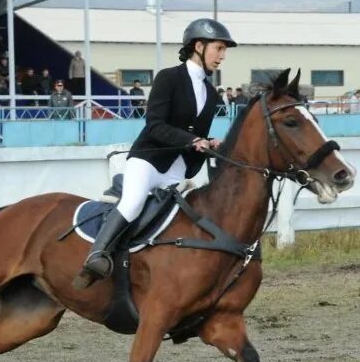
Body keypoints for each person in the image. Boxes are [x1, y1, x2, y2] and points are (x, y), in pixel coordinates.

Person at [73, 17, 237, 288]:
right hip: (149, 159)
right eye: (219, 48)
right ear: (199, 45)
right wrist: (193, 139)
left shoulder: (210, 92)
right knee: (133, 202)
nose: (222, 56)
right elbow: (156, 124)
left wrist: (208, 143)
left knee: (185, 218)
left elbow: (192, 131)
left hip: (178, 167)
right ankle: (96, 256)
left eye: (224, 50)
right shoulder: (169, 77)